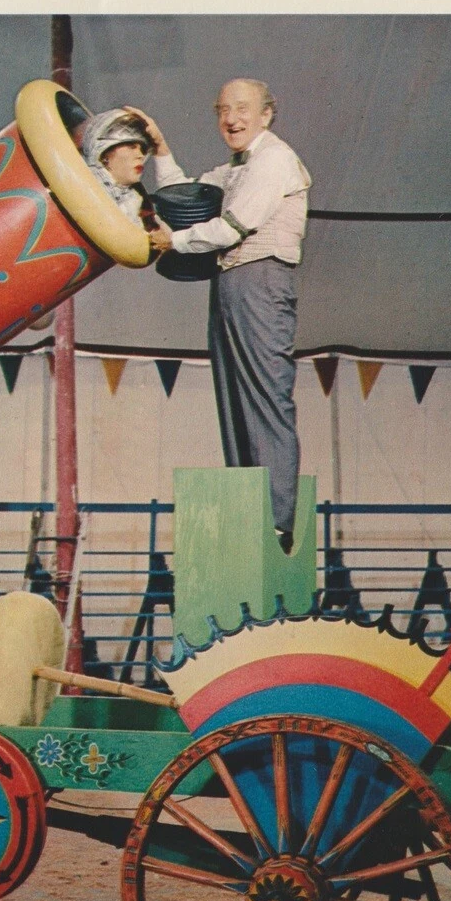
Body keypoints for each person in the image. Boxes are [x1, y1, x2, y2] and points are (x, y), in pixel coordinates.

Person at [127, 80, 312, 550]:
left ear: (267, 114)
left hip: (260, 280)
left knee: (266, 394)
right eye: (223, 110)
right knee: (234, 397)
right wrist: (161, 149)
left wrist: (174, 241)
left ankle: (278, 519)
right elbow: (185, 198)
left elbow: (232, 227)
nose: (231, 119)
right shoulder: (235, 168)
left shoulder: (273, 160)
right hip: (229, 283)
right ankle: (252, 507)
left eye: (242, 109)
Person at [79, 108, 158, 226]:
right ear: (105, 153)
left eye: (142, 150)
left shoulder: (134, 200)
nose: (140, 155)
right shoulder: (83, 185)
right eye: (131, 147)